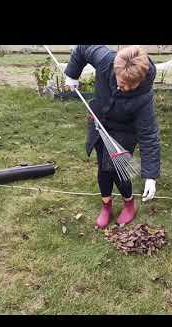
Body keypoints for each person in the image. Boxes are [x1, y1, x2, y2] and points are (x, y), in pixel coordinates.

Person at [64, 45, 161, 229]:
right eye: (118, 80)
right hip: (99, 121)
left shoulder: (143, 99)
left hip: (124, 130)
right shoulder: (106, 60)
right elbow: (83, 47)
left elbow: (149, 135)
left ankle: (129, 203)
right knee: (103, 167)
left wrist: (150, 176)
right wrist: (72, 74)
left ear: (137, 83)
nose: (118, 86)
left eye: (125, 86)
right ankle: (106, 206)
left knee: (118, 170)